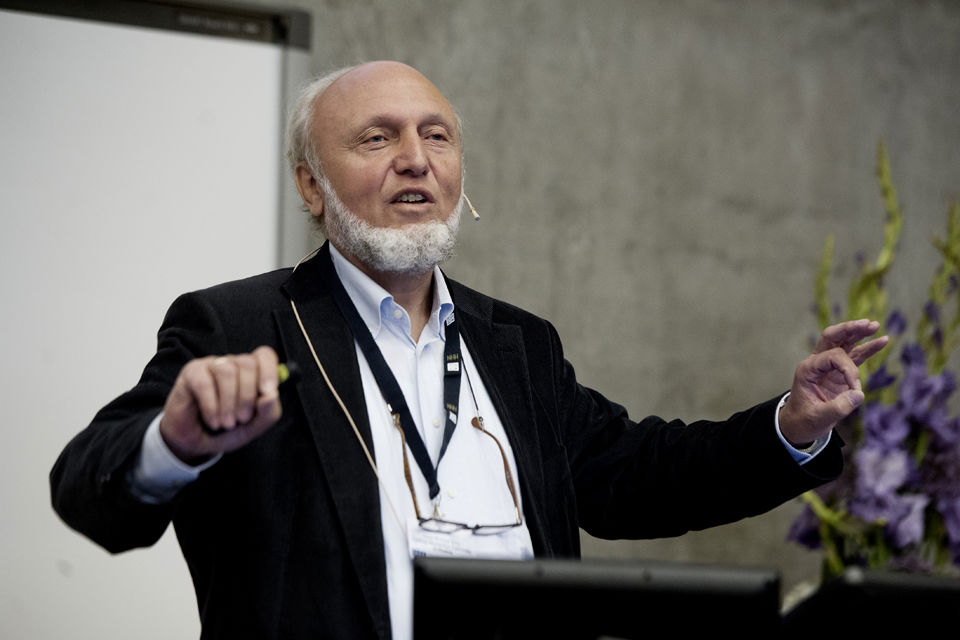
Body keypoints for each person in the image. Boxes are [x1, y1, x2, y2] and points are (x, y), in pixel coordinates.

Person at [50, 61, 887, 640]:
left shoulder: (516, 344)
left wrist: (793, 423)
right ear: (311, 182)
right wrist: (178, 441)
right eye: (376, 139)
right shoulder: (238, 326)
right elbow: (88, 487)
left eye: (437, 137)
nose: (415, 159)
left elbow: (635, 478)